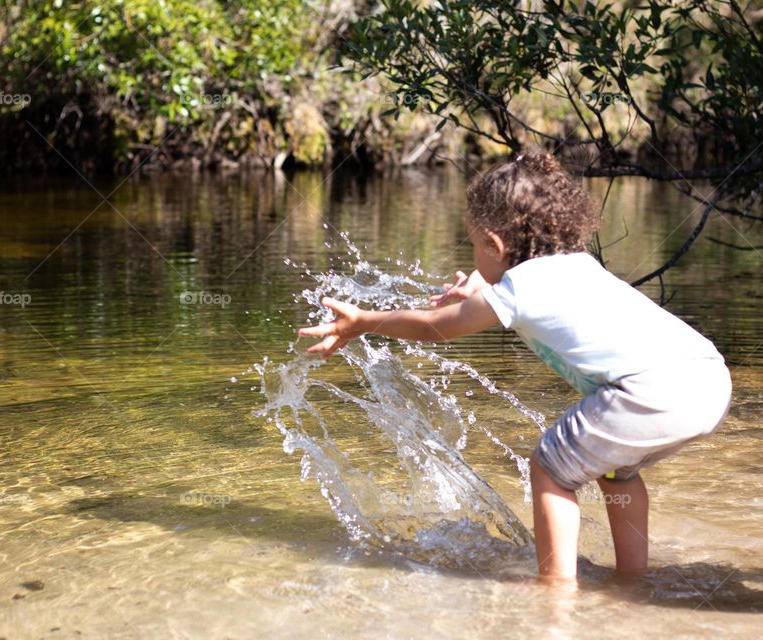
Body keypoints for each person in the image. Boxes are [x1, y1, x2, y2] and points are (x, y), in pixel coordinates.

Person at [297, 149, 732, 581]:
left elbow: (434, 328)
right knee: (618, 475)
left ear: (494, 242)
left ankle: (556, 591)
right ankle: (633, 580)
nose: (474, 259)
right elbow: (529, 294)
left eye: (474, 245)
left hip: (648, 391)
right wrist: (485, 287)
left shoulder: (520, 289)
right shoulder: (579, 265)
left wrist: (363, 323)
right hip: (706, 378)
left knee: (550, 469)